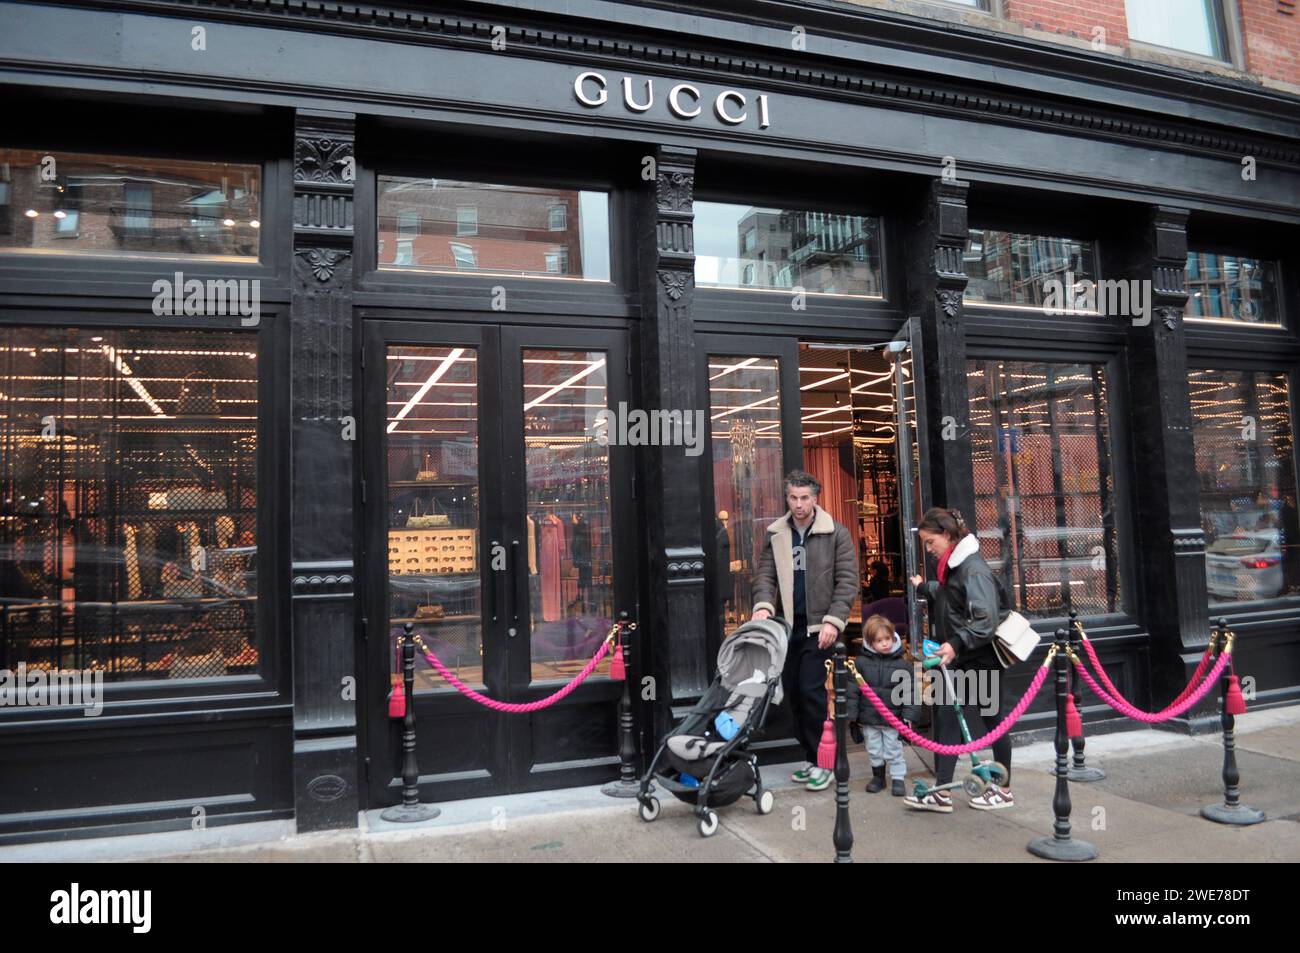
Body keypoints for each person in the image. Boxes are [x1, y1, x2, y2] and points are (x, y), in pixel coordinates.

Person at [752, 470, 859, 792]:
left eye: (804, 498)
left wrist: (833, 621)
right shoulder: (776, 533)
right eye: (793, 498)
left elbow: (847, 582)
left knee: (813, 694)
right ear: (787, 499)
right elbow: (764, 576)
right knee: (793, 696)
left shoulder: (835, 534)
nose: (798, 505)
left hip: (819, 629)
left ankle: (827, 762)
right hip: (787, 629)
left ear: (816, 499)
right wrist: (762, 604)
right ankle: (813, 758)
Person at [904, 506, 1014, 812]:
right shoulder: (957, 566)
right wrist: (924, 587)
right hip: (962, 658)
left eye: (930, 542)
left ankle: (1003, 789)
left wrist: (954, 643)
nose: (928, 550)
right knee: (948, 719)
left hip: (978, 658)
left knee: (993, 723)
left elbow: (984, 620)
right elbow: (952, 596)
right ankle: (942, 791)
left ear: (948, 535)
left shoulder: (971, 568)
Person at [845, 614, 918, 796]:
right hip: (869, 718)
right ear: (870, 642)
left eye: (888, 639)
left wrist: (909, 716)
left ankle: (898, 778)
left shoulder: (902, 665)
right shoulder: (860, 664)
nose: (885, 643)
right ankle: (878, 777)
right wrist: (852, 715)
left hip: (893, 719)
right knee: (874, 749)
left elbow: (910, 693)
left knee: (894, 750)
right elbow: (853, 690)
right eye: (879, 640)